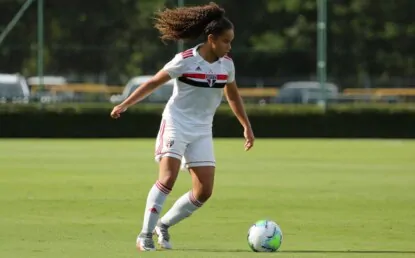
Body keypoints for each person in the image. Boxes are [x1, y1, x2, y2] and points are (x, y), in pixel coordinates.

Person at [110, 2, 255, 252]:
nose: (229, 47)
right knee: (167, 179)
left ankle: (163, 225)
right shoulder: (185, 61)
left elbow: (232, 96)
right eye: (225, 41)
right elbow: (153, 83)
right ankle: (144, 235)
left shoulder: (226, 65)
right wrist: (125, 104)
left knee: (204, 191)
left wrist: (246, 126)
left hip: (202, 130)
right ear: (211, 39)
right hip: (176, 123)